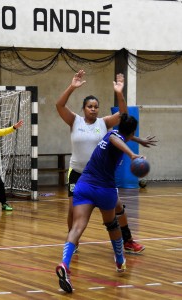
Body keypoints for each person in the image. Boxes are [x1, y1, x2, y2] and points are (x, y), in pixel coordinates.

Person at [56, 70, 157, 253]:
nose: (93, 109)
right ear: (84, 108)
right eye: (89, 106)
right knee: (73, 209)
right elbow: (59, 105)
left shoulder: (104, 123)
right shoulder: (75, 121)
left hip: (101, 176)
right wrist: (72, 86)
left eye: (96, 106)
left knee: (118, 206)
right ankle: (72, 242)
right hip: (78, 173)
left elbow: (124, 116)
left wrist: (119, 93)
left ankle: (128, 241)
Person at [56, 113, 142, 293]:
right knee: (112, 224)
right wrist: (132, 153)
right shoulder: (113, 136)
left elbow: (119, 136)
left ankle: (64, 263)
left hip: (84, 185)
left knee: (77, 227)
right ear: (132, 131)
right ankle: (119, 261)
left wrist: (139, 140)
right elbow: (116, 139)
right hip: (105, 189)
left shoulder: (111, 132)